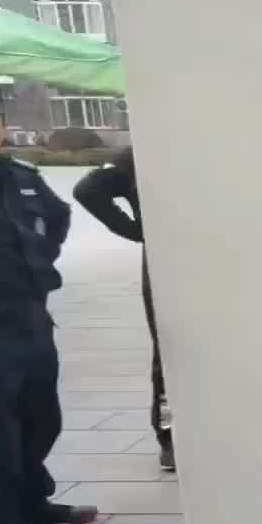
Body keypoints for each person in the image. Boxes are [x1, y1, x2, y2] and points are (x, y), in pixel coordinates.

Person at [0, 77, 98, 524]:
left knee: (40, 421)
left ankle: (30, 504)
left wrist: (34, 266)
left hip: (28, 321)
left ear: (2, 126)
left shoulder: (19, 177)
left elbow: (56, 217)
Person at [74, 148, 175, 471]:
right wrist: (136, 231)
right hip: (166, 267)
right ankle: (170, 437)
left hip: (195, 265)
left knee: (174, 356)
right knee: (170, 356)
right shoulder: (145, 154)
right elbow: (87, 190)